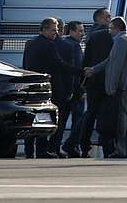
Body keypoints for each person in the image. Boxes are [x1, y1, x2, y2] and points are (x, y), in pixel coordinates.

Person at [22, 17, 82, 158]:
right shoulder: (49, 45)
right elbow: (59, 64)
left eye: (56, 30)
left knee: (31, 119)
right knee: (44, 119)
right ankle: (42, 151)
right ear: (44, 29)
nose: (56, 33)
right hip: (48, 87)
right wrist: (80, 71)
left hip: (32, 86)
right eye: (53, 30)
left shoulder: (29, 44)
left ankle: (29, 150)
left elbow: (25, 64)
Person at [86, 17, 127, 158]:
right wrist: (94, 69)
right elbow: (111, 60)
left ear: (117, 28)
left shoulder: (120, 40)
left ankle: (121, 149)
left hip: (123, 83)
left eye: (110, 28)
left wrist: (111, 86)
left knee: (122, 118)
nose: (109, 31)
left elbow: (115, 65)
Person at [80, 8, 115, 158]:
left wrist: (84, 80)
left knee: (90, 113)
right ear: (100, 18)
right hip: (107, 79)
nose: (110, 19)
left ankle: (83, 145)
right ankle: (107, 146)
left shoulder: (90, 36)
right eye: (108, 17)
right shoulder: (111, 36)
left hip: (93, 80)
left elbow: (86, 60)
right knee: (106, 114)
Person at [54, 21, 87, 158]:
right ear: (71, 31)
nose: (82, 34)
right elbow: (75, 70)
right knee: (77, 120)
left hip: (66, 89)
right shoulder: (73, 47)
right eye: (79, 31)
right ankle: (71, 145)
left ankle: (57, 146)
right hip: (74, 91)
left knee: (62, 121)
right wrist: (80, 90)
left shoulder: (64, 44)